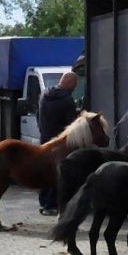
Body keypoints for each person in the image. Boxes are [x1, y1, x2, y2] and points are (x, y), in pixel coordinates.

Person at [35, 71, 79, 214]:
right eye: (75, 84)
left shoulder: (44, 95)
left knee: (44, 171)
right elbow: (71, 125)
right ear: (69, 83)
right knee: (59, 173)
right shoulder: (67, 100)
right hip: (59, 143)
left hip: (45, 138)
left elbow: (38, 115)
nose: (75, 87)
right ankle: (51, 205)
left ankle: (43, 202)